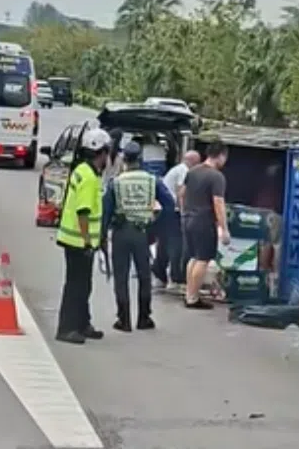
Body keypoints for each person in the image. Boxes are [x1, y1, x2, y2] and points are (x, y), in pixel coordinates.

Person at [102, 140, 174, 332]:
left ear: (124, 160)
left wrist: (102, 236)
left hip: (121, 232)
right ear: (141, 160)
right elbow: (169, 204)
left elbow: (106, 212)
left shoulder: (115, 183)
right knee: (144, 276)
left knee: (121, 276)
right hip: (143, 232)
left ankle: (123, 320)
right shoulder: (153, 180)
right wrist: (156, 225)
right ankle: (144, 318)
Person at [55, 127, 112, 345]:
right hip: (79, 241)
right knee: (76, 286)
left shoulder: (83, 170)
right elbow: (83, 212)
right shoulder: (88, 177)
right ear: (102, 152)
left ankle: (82, 323)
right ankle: (68, 328)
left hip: (74, 239)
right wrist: (89, 241)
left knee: (83, 284)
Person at [181, 140, 230, 309]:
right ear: (221, 156)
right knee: (203, 259)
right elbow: (218, 203)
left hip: (188, 218)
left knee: (193, 257)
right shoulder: (216, 177)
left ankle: (189, 293)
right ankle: (193, 298)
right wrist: (224, 228)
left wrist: (184, 211)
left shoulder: (193, 171)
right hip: (204, 221)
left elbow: (182, 192)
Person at [154, 149, 201, 292]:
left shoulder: (176, 169)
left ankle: (159, 275)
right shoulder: (184, 171)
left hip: (163, 211)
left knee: (163, 244)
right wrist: (183, 213)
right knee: (177, 245)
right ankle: (176, 279)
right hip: (173, 212)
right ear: (194, 162)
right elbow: (181, 193)